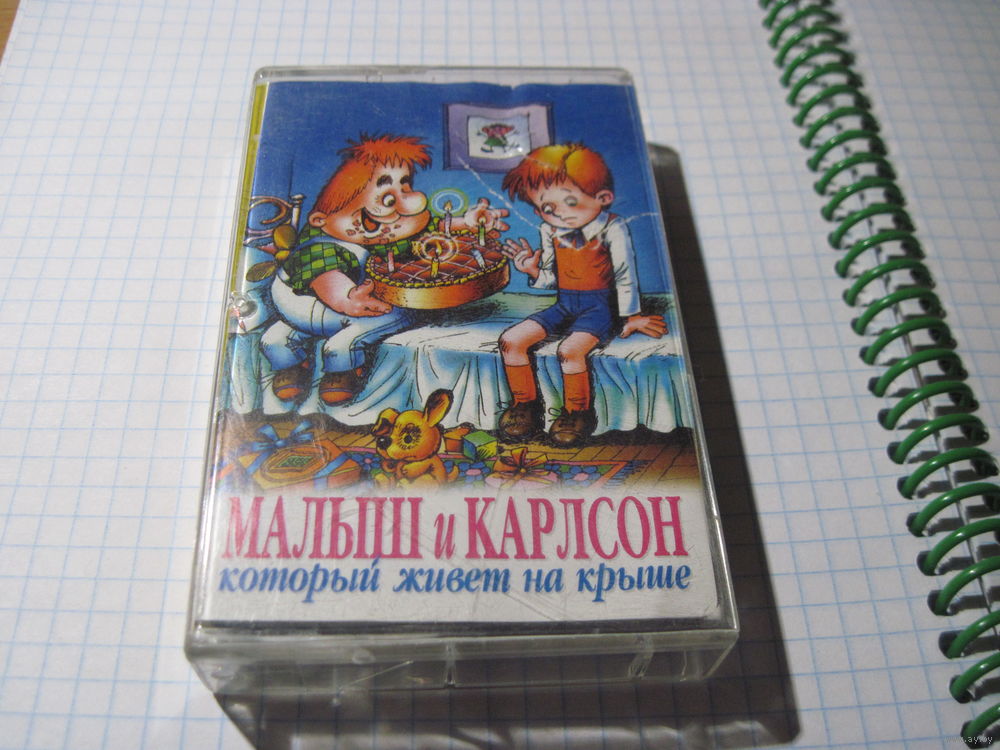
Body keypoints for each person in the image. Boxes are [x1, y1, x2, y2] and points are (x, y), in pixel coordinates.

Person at [262, 133, 507, 405]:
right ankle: (291, 366)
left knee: (342, 344)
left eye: (405, 185)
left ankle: (342, 370)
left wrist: (467, 223)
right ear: (322, 219)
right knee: (274, 341)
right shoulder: (320, 246)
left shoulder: (387, 232)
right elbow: (327, 277)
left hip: (366, 309)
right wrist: (346, 298)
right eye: (384, 198)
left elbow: (429, 229)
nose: (396, 214)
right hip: (313, 308)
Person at [498, 143, 667, 446]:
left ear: (603, 198)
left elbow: (625, 274)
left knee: (570, 350)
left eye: (571, 202)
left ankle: (577, 412)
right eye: (548, 208)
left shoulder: (612, 228)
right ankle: (526, 405)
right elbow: (552, 277)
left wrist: (632, 316)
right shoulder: (549, 230)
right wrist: (533, 271)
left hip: (600, 307)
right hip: (565, 304)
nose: (559, 214)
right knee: (510, 340)